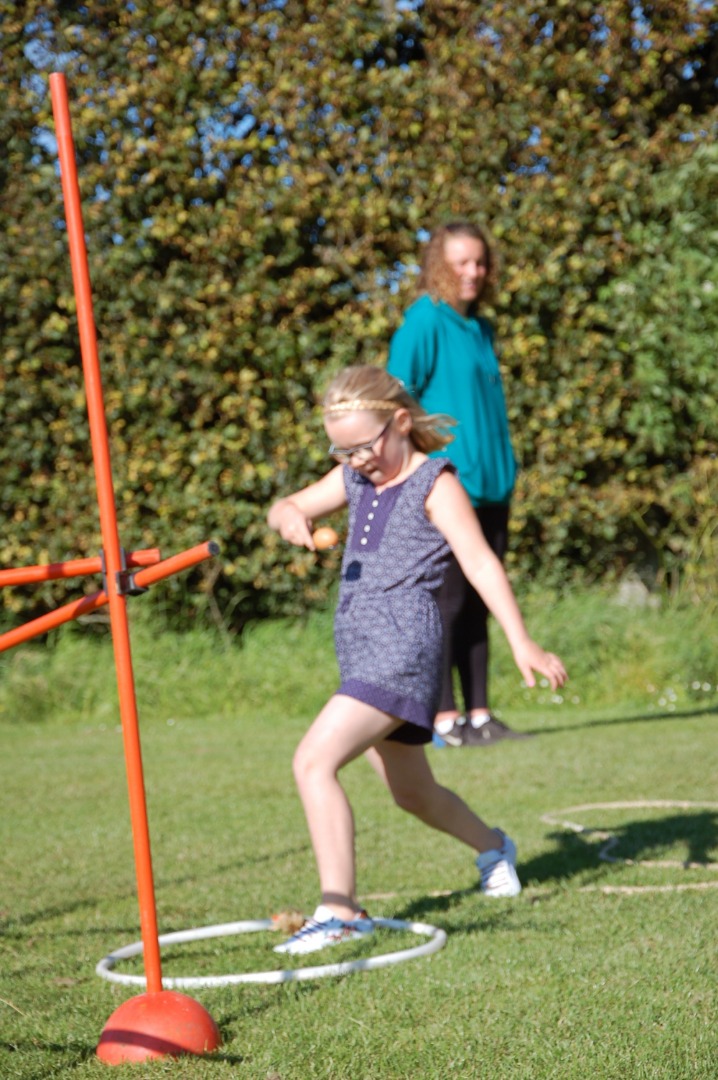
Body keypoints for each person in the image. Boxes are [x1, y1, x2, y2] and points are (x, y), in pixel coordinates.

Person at [267, 366, 567, 955]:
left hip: (402, 650)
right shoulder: (355, 478)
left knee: (313, 762)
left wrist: (521, 640)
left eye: (364, 446)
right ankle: (494, 847)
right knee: (413, 793)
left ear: (400, 422)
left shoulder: (436, 482)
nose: (356, 461)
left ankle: (340, 911)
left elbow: (480, 563)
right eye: (342, 451)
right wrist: (291, 517)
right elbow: (286, 505)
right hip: (360, 653)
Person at [387, 221, 523, 748]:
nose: (473, 272)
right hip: (447, 489)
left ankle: (480, 715)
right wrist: (419, 468)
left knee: (480, 600)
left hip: (491, 488)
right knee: (444, 603)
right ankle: (444, 718)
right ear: (439, 266)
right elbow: (395, 399)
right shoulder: (424, 321)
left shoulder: (480, 328)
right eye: (461, 262)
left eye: (480, 262)